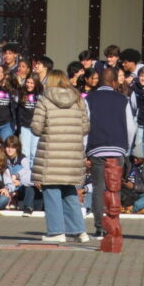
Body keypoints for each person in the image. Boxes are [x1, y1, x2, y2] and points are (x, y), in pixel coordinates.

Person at [31, 69, 90, 243]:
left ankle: (57, 231)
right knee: (69, 191)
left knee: (51, 191)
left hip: (51, 153)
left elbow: (35, 127)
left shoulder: (45, 100)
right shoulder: (79, 100)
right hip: (72, 154)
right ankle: (79, 231)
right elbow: (85, 128)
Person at [85, 67, 136, 238]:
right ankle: (113, 223)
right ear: (115, 82)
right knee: (115, 188)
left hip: (96, 147)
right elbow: (130, 127)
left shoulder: (89, 99)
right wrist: (126, 147)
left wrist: (86, 150)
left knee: (98, 187)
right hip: (117, 148)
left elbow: (85, 125)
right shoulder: (123, 99)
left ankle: (99, 226)